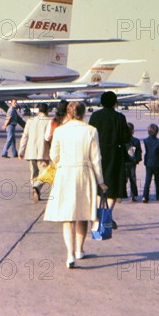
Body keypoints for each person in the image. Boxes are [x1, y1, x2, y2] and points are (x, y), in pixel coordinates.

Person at [44, 102, 107, 269]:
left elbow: (54, 156)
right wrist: (101, 181)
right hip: (84, 174)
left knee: (68, 217)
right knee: (83, 213)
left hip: (65, 174)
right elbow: (96, 158)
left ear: (68, 113)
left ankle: (70, 254)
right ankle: (79, 250)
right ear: (83, 113)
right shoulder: (91, 131)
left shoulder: (59, 131)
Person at [88, 91, 130, 227]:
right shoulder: (120, 117)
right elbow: (126, 138)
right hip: (115, 155)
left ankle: (99, 215)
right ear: (114, 102)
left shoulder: (95, 116)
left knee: (98, 185)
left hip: (97, 154)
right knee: (113, 187)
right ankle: (107, 215)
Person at [18, 103, 51, 202]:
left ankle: (35, 190)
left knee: (34, 173)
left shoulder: (30, 121)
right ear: (47, 111)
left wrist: (21, 151)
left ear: (38, 110)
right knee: (45, 173)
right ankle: (36, 187)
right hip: (43, 152)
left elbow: (25, 136)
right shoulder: (49, 121)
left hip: (30, 152)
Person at [125, 123, 142, 201]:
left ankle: (121, 194)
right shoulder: (136, 141)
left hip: (124, 162)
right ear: (133, 131)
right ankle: (133, 195)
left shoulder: (121, 140)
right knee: (133, 178)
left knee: (123, 179)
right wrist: (137, 160)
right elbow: (139, 152)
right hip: (132, 162)